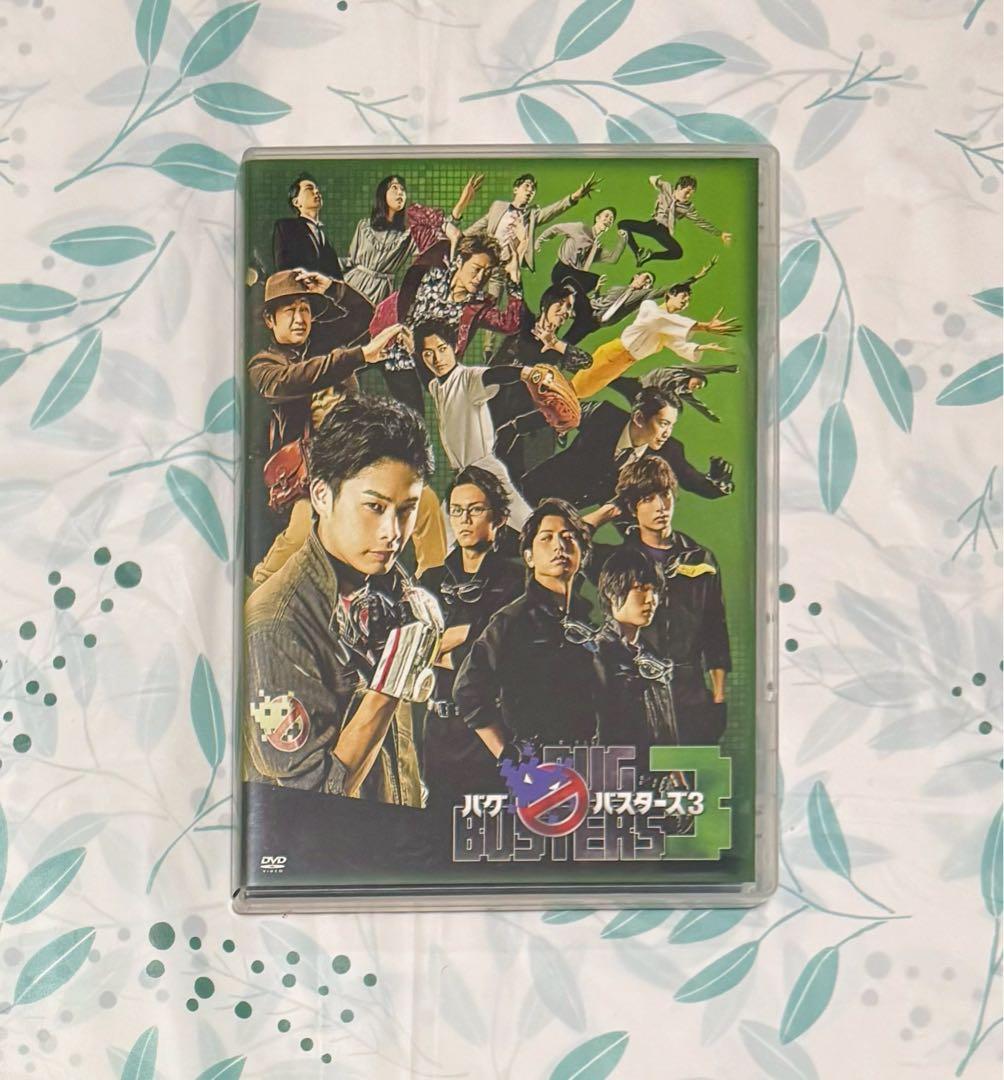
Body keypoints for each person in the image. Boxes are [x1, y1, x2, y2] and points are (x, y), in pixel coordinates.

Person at [244, 395, 444, 803]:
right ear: (321, 495)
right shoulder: (276, 625)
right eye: (374, 507)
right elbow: (313, 796)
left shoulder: (389, 590)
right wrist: (390, 685)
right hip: (325, 840)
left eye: (406, 510)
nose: (392, 532)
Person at [247, 270, 446, 585]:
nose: (299, 318)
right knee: (302, 529)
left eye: (305, 309)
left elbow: (366, 319)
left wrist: (331, 288)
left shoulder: (325, 349)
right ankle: (261, 587)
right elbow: (295, 379)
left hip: (357, 461)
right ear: (270, 320)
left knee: (426, 502)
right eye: (289, 311)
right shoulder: (264, 366)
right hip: (307, 478)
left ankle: (436, 585)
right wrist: (359, 355)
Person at [589, 456, 730, 745]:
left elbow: (715, 629)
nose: (660, 506)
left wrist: (718, 696)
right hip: (633, 689)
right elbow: (568, 542)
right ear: (632, 507)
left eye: (665, 495)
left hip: (689, 690)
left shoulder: (700, 558)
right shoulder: (615, 561)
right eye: (647, 499)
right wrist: (606, 512)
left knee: (689, 769)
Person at [453, 499, 606, 756]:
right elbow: (468, 691)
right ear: (529, 557)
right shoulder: (512, 620)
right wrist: (507, 756)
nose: (559, 546)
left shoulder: (588, 621)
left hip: (588, 758)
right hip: (538, 761)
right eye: (546, 538)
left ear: (582, 553)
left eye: (568, 537)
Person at [419, 467, 525, 801]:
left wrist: (445, 644)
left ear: (499, 517)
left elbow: (507, 658)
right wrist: (474, 637)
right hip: (438, 734)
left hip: (493, 733)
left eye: (475, 510)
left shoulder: (518, 582)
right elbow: (412, 651)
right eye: (456, 510)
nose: (464, 520)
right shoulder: (431, 581)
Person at [368, 234, 525, 413]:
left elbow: (510, 324)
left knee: (413, 420)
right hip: (380, 340)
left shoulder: (477, 308)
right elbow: (417, 218)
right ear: (459, 262)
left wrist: (514, 278)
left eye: (488, 272)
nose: (480, 278)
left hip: (409, 365)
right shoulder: (432, 273)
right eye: (476, 269)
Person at [414, 318, 542, 527]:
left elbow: (492, 376)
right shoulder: (438, 387)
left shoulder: (469, 378)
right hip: (467, 476)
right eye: (429, 353)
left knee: (529, 526)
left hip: (485, 471)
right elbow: (425, 376)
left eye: (442, 349)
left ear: (454, 347)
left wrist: (524, 373)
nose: (437, 358)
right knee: (441, 534)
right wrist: (412, 349)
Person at [465, 171, 600, 356]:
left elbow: (552, 211)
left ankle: (488, 350)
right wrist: (458, 236)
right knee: (469, 303)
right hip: (486, 262)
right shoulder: (498, 206)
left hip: (507, 267)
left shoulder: (532, 216)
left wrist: (575, 196)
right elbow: (481, 224)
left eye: (533, 189)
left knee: (494, 307)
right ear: (516, 189)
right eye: (526, 186)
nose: (530, 191)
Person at [570, 268, 739, 399]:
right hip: (613, 353)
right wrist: (704, 326)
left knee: (585, 392)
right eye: (683, 297)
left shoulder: (668, 327)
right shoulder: (649, 307)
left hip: (624, 363)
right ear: (670, 295)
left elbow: (677, 344)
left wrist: (704, 346)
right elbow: (659, 320)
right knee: (578, 387)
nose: (685, 302)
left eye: (688, 301)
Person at [489, 282, 593, 480]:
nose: (565, 311)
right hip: (501, 401)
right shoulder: (525, 324)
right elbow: (516, 291)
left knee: (513, 472)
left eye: (569, 308)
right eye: (561, 303)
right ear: (547, 303)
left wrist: (553, 343)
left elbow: (586, 361)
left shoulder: (559, 347)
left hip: (527, 417)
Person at [520, 386, 679, 511]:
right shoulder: (604, 415)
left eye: (671, 426)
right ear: (639, 418)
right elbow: (559, 412)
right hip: (531, 489)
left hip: (558, 514)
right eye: (664, 424)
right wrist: (516, 427)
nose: (667, 433)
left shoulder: (654, 460)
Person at [342, 172, 485, 305]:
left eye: (403, 190)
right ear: (382, 194)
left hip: (379, 293)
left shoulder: (409, 235)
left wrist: (461, 204)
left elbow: (441, 233)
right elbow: (351, 261)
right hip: (352, 285)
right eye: (394, 188)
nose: (400, 193)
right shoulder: (364, 226)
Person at [594, 547, 678, 761]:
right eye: (640, 588)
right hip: (613, 772)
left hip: (656, 774)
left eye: (654, 590)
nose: (651, 599)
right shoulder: (596, 655)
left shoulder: (654, 659)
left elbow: (667, 733)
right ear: (612, 593)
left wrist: (675, 773)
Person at [535, 206, 628, 342]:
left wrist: (623, 240)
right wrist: (540, 240)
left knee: (583, 309)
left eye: (611, 219)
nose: (609, 219)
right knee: (589, 291)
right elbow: (556, 228)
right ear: (597, 218)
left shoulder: (596, 246)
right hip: (562, 271)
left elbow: (612, 258)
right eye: (606, 216)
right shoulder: (580, 228)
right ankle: (582, 310)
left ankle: (565, 339)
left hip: (574, 278)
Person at [618, 174, 732, 265]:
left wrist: (720, 233)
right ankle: (638, 252)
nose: (688, 196)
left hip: (663, 231)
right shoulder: (667, 187)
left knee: (677, 253)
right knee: (622, 224)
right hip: (651, 224)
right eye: (687, 192)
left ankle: (650, 256)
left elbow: (700, 221)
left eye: (691, 194)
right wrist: (653, 180)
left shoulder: (688, 207)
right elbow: (654, 180)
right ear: (678, 187)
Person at [272, 173, 346, 278]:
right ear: (296, 202)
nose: (316, 191)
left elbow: (337, 276)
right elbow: (283, 271)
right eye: (309, 189)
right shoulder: (286, 228)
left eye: (317, 189)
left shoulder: (325, 237)